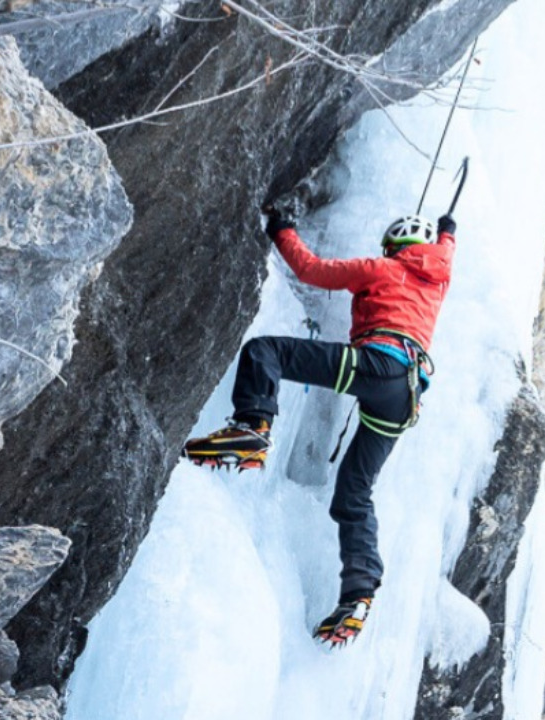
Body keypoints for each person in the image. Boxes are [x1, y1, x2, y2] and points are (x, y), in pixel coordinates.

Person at [182, 206, 457, 646]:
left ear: (394, 247)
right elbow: (446, 250)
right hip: (406, 397)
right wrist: (448, 231)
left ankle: (253, 426)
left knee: (266, 352)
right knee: (354, 492)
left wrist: (281, 228)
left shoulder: (380, 268)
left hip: (377, 364)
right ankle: (359, 593)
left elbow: (310, 269)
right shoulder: (439, 279)